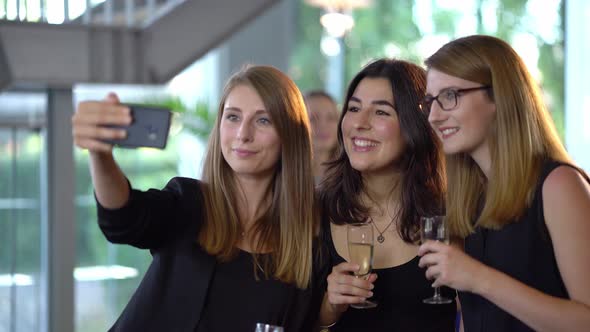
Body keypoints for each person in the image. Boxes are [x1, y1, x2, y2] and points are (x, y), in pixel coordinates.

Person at [71, 65, 329, 331]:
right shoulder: (188, 203)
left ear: (290, 135)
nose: (243, 134)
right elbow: (123, 219)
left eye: (263, 120)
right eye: (232, 117)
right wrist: (100, 155)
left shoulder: (307, 242)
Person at [418, 34, 590, 332]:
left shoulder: (560, 185)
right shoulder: (469, 198)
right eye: (430, 101)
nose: (433, 116)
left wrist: (478, 278)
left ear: (499, 97)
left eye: (449, 96)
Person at [317, 58, 456, 331]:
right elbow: (295, 321)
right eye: (354, 108)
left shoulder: (453, 215)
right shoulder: (316, 209)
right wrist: (330, 306)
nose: (359, 123)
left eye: (381, 112)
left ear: (415, 125)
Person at [304, 90, 340, 184]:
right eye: (312, 118)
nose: (323, 125)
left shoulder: (354, 176)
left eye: (331, 117)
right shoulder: (281, 177)